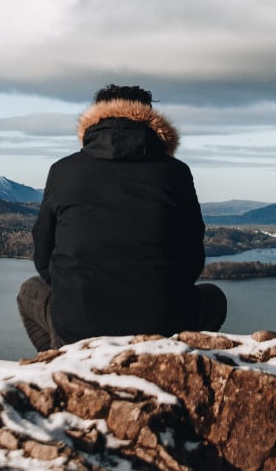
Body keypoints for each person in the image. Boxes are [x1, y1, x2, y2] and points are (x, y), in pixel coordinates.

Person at [17, 84, 227, 351]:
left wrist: (75, 291)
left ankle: (63, 359)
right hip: (161, 327)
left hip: (78, 327)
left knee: (29, 292)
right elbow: (193, 258)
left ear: (94, 118)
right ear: (151, 120)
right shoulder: (176, 173)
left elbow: (42, 255)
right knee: (214, 299)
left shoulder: (63, 171)